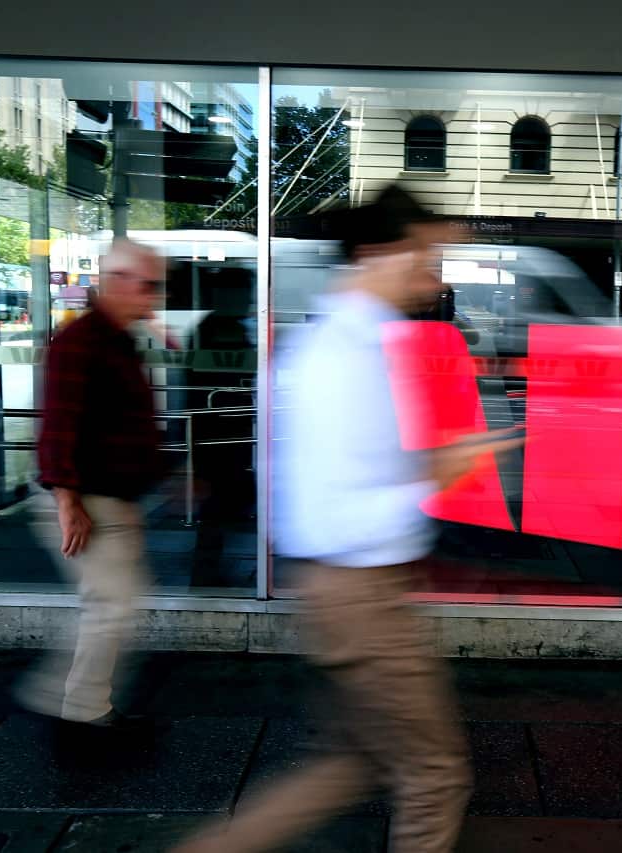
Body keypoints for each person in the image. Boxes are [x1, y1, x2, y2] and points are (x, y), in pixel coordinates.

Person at [174, 186, 521, 853]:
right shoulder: (340, 357)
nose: (435, 271)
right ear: (376, 253)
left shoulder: (354, 342)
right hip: (358, 590)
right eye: (426, 252)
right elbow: (333, 512)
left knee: (349, 764)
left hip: (348, 589)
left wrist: (434, 460)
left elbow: (355, 473)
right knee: (434, 775)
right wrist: (436, 478)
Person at [15, 239, 165, 731]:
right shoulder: (82, 341)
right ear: (116, 282)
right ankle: (78, 706)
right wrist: (66, 500)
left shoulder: (116, 338)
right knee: (110, 605)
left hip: (110, 498)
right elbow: (59, 423)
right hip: (90, 500)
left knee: (111, 603)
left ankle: (71, 698)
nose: (153, 298)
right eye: (148, 286)